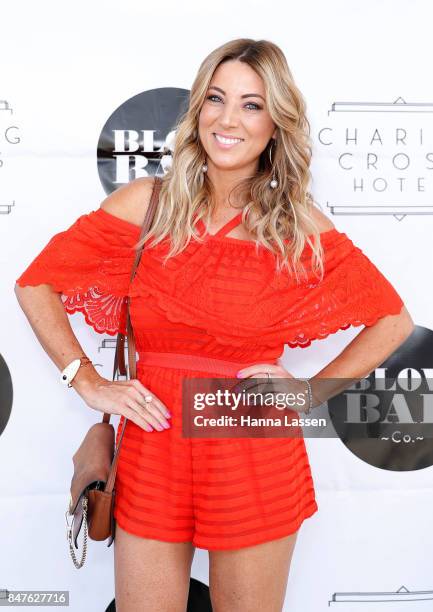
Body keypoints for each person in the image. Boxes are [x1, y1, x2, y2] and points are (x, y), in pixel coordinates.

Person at [14, 38, 414, 612]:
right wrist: (85, 379)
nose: (229, 120)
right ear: (198, 107)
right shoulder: (145, 204)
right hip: (154, 447)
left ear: (276, 123)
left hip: (252, 449)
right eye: (217, 99)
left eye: (252, 105)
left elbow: (392, 322)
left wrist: (306, 392)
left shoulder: (297, 225)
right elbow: (35, 283)